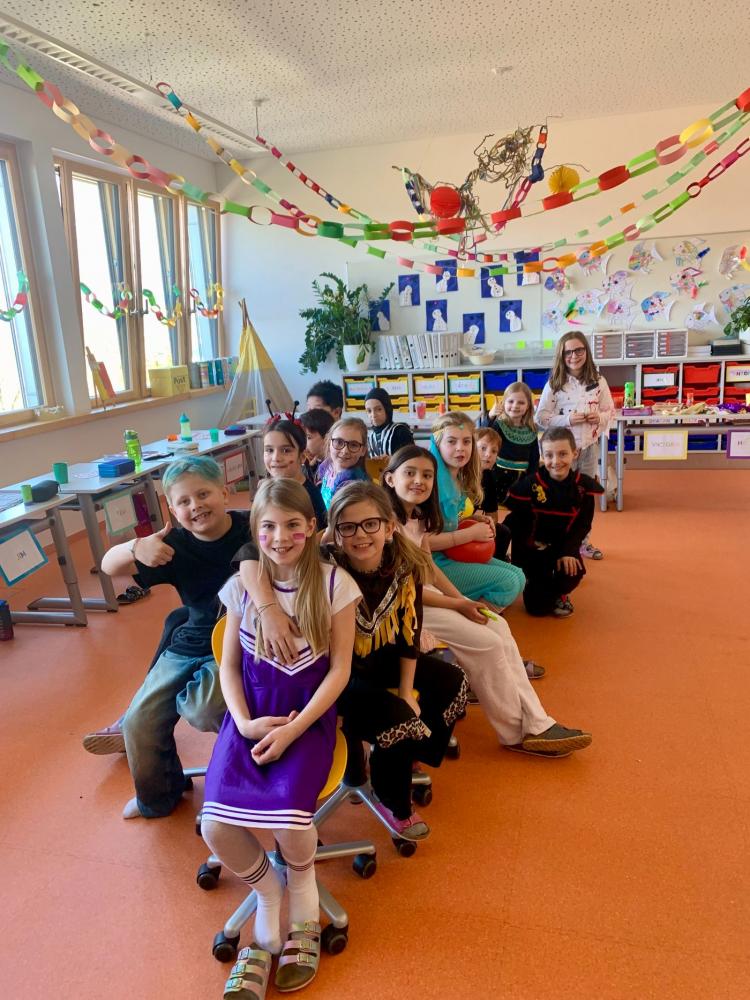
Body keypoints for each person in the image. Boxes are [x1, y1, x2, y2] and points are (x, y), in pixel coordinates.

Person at [236, 481, 468, 840]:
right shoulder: (324, 562)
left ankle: (407, 754)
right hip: (334, 671)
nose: (360, 535)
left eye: (370, 524)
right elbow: (250, 551)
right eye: (348, 527)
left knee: (452, 682)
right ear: (334, 533)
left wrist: (406, 688)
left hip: (377, 656)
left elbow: (410, 629)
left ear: (389, 527)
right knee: (399, 719)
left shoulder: (403, 563)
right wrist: (268, 609)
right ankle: (394, 802)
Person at [202, 479, 360, 993]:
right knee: (215, 826)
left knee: (291, 818)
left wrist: (295, 729)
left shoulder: (336, 584)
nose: (280, 536)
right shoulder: (242, 588)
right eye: (268, 527)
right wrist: (244, 723)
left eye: (293, 524)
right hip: (248, 719)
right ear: (255, 532)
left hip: (306, 720)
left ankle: (304, 901)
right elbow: (228, 666)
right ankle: (269, 893)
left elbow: (339, 670)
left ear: (312, 527)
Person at [382, 445, 592, 756]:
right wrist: (458, 604)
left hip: (426, 597)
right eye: (409, 473)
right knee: (488, 644)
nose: (419, 481)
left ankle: (538, 723)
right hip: (403, 608)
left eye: (426, 475)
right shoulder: (384, 525)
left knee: (499, 627)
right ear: (390, 479)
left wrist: (461, 599)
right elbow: (400, 590)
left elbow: (428, 568)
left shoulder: (418, 516)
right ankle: (514, 733)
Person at [89, 457, 249, 819]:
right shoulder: (172, 545)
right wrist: (135, 547)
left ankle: (247, 771)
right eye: (184, 501)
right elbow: (108, 566)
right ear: (173, 511)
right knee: (138, 721)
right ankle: (160, 796)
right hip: (189, 642)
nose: (196, 506)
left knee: (204, 709)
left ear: (225, 492)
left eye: (204, 494)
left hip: (238, 642)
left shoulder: (251, 528)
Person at [428, 412, 526, 608]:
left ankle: (471, 611)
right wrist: (471, 533)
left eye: (466, 441)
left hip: (452, 554)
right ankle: (468, 615)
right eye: (451, 441)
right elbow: (423, 542)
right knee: (508, 583)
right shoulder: (431, 484)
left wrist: (473, 519)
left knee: (519, 576)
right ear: (437, 444)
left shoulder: (458, 478)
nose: (460, 448)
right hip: (434, 564)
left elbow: (449, 522)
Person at [503, 427, 604, 618]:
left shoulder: (583, 487)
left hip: (563, 547)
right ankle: (535, 583)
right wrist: (520, 560)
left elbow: (582, 525)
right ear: (543, 456)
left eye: (563, 454)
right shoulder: (531, 483)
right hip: (534, 549)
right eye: (549, 455)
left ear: (575, 453)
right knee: (537, 609)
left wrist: (568, 551)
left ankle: (561, 594)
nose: (556, 461)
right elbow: (515, 519)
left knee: (571, 572)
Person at [536, 332, 613, 560]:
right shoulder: (555, 383)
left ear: (586, 351)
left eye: (579, 350)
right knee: (558, 497)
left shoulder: (598, 380)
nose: (574, 356)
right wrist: (568, 419)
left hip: (588, 448)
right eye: (568, 352)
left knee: (583, 498)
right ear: (561, 355)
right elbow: (541, 417)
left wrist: (599, 417)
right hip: (562, 453)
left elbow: (610, 411)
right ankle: (556, 543)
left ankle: (582, 543)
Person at [478, 381, 541, 507]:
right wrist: (490, 416)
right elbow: (483, 437)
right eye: (511, 401)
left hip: (520, 479)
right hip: (496, 477)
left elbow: (534, 459)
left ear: (528, 406)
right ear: (504, 403)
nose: (515, 406)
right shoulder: (498, 424)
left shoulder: (532, 429)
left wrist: (532, 480)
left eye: (521, 402)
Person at [262, 416, 327, 528]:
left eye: (285, 450)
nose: (276, 458)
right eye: (269, 450)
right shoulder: (265, 490)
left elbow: (319, 535)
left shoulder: (309, 497)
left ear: (302, 456)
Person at [318, 416, 369, 508]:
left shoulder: (353, 486)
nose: (345, 451)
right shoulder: (328, 467)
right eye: (339, 442)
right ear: (329, 443)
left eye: (353, 445)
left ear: (363, 450)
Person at [364, 387, 414, 457]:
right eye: (369, 411)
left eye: (379, 409)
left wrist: (392, 460)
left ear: (387, 409)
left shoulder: (400, 432)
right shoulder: (370, 437)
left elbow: (411, 457)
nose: (373, 415)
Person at [299, 408, 335, 485]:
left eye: (308, 437)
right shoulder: (315, 463)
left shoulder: (333, 468)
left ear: (327, 438)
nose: (303, 442)